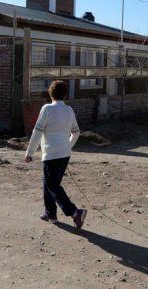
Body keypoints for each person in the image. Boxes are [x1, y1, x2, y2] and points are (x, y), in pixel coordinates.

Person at [24, 80, 87, 230]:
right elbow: (76, 132)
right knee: (49, 184)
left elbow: (37, 131)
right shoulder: (69, 110)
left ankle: (75, 212)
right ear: (65, 95)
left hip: (51, 154)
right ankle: (50, 214)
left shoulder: (47, 109)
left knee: (52, 186)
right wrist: (68, 145)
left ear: (50, 93)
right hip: (65, 154)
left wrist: (29, 153)